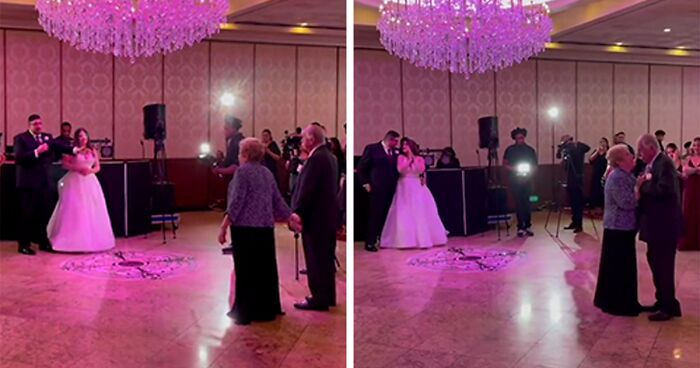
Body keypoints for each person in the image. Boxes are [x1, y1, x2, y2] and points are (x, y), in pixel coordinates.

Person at [217, 138, 294, 325]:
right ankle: (266, 308)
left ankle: (245, 312)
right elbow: (277, 199)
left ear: (245, 154)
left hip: (245, 229)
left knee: (246, 270)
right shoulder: (267, 172)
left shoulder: (242, 172)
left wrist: (224, 225)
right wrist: (291, 216)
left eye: (240, 152)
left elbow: (237, 202)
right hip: (265, 230)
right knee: (265, 270)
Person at [13, 114, 80, 255]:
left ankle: (43, 242)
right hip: (28, 184)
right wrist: (37, 152)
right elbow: (19, 158)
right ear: (29, 125)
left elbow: (58, 146)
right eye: (35, 124)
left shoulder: (47, 137)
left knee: (44, 213)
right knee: (27, 214)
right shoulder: (21, 138)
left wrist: (73, 150)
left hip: (44, 182)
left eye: (40, 123)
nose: (38, 126)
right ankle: (24, 245)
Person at [291, 124, 338, 311]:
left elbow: (307, 189)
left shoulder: (316, 158)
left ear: (311, 139)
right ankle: (328, 296)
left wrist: (297, 212)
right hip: (327, 217)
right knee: (325, 259)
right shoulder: (330, 157)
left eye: (303, 138)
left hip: (315, 218)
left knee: (316, 259)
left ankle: (319, 298)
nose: (301, 141)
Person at [593, 144, 644, 316]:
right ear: (620, 160)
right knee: (619, 268)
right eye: (629, 154)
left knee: (623, 267)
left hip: (623, 227)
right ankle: (617, 304)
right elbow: (627, 203)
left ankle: (626, 301)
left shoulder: (625, 175)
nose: (633, 157)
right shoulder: (618, 177)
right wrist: (639, 188)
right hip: (618, 227)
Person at [636, 133, 682, 321]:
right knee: (655, 260)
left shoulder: (663, 163)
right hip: (656, 224)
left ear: (651, 148)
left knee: (663, 265)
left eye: (641, 150)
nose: (639, 154)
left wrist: (642, 186)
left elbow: (665, 189)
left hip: (665, 224)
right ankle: (662, 300)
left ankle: (668, 306)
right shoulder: (655, 163)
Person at [47, 128, 115, 253]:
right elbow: (65, 164)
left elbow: (98, 166)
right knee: (75, 209)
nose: (82, 138)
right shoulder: (72, 150)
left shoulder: (93, 150)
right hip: (75, 180)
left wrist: (90, 171)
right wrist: (77, 168)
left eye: (84, 136)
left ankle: (91, 240)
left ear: (87, 137)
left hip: (89, 181)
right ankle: (73, 240)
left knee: (91, 209)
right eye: (79, 136)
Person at [380, 138, 447, 248]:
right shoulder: (401, 158)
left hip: (416, 185)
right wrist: (408, 161)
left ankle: (423, 239)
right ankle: (405, 240)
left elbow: (421, 170)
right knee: (404, 210)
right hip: (404, 185)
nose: (404, 147)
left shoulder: (419, 158)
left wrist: (414, 159)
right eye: (403, 145)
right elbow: (401, 170)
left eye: (406, 145)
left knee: (420, 210)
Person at [357, 130, 401, 252]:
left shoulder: (395, 153)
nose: (397, 144)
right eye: (395, 141)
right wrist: (365, 183)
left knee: (387, 215)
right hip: (376, 188)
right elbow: (361, 168)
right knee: (375, 215)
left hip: (391, 188)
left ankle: (382, 239)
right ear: (390, 139)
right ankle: (370, 241)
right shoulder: (372, 149)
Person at [215, 116, 244, 254]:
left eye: (226, 128)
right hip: (234, 180)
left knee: (234, 210)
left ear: (233, 128)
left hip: (236, 181)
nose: (224, 130)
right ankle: (236, 242)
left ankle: (236, 242)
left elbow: (236, 166)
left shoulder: (236, 142)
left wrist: (219, 170)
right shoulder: (235, 141)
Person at [503, 127, 537, 237]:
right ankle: (520, 227)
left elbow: (535, 165)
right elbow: (505, 164)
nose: (520, 139)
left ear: (524, 137)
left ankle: (528, 225)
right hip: (515, 180)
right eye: (518, 138)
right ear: (514, 138)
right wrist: (514, 169)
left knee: (527, 203)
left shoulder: (530, 150)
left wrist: (530, 172)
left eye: (522, 137)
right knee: (519, 203)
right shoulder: (510, 150)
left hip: (528, 180)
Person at [557, 135, 590, 233]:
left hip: (577, 176)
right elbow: (558, 156)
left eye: (564, 140)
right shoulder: (566, 149)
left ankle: (579, 224)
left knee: (578, 202)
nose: (563, 142)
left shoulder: (578, 146)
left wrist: (575, 144)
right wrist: (561, 148)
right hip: (569, 177)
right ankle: (574, 222)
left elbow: (587, 148)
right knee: (572, 201)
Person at [679, 137, 700, 251]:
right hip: (690, 187)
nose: (697, 148)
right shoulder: (688, 158)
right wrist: (695, 171)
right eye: (695, 145)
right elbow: (684, 172)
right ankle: (688, 242)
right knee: (689, 211)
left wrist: (693, 171)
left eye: (699, 145)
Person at [588, 137, 609, 210]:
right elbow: (590, 160)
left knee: (604, 189)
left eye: (603, 142)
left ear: (606, 143)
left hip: (605, 173)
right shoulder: (596, 151)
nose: (602, 143)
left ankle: (603, 205)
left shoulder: (609, 151)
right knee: (595, 188)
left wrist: (605, 151)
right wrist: (597, 152)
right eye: (600, 142)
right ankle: (595, 205)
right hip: (596, 172)